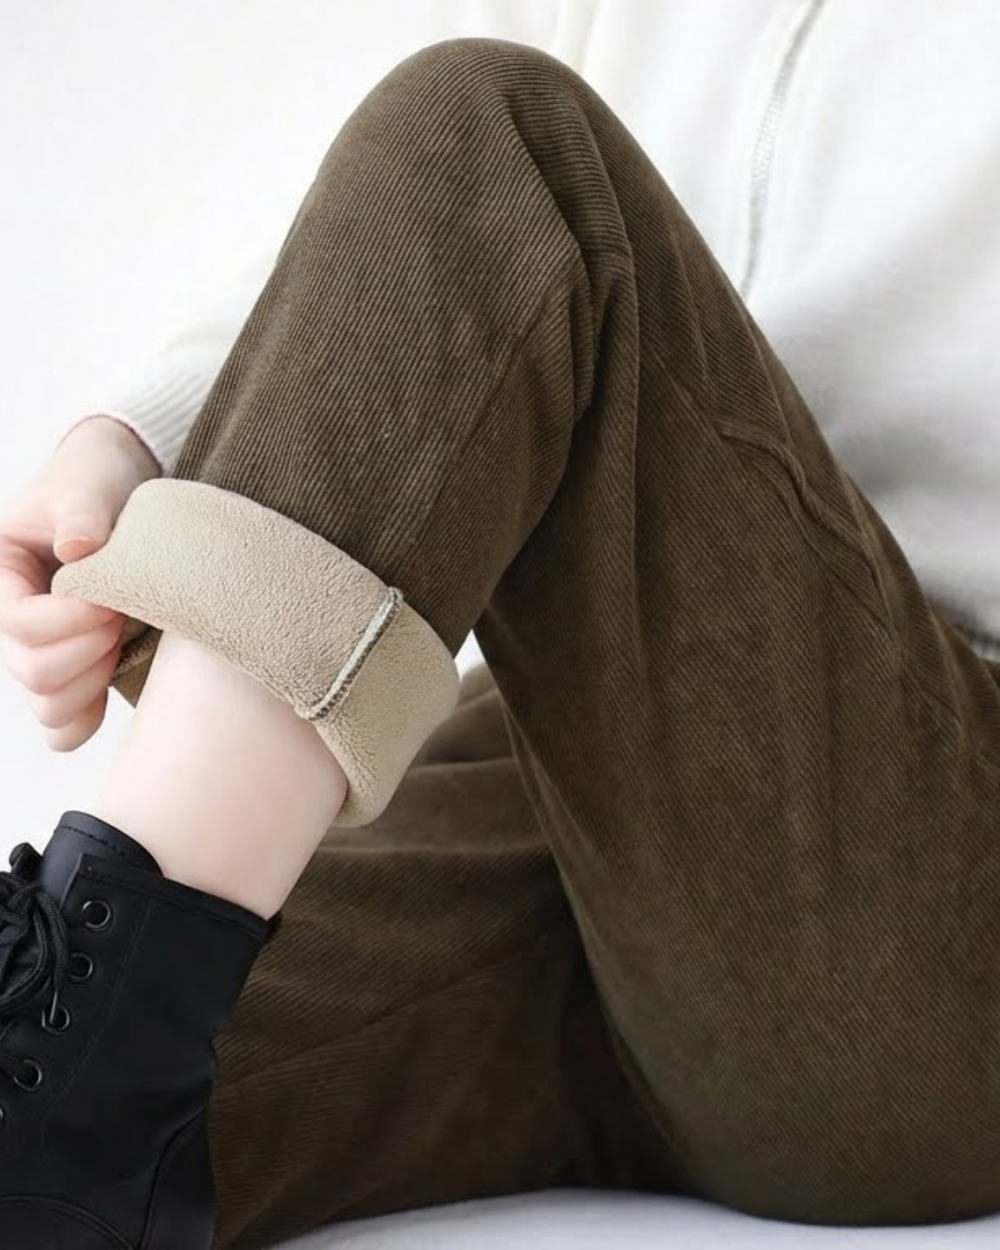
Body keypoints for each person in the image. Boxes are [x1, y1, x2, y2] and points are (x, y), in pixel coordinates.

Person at [2, 6, 1000, 1248]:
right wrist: (137, 441)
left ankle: (80, 1063)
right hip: (578, 758)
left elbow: (493, 180)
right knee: (98, 1103)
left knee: (492, 125)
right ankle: (73, 1103)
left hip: (932, 851)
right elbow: (403, 253)